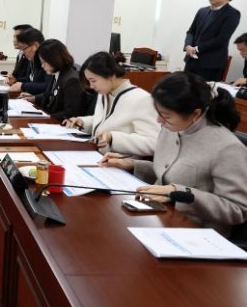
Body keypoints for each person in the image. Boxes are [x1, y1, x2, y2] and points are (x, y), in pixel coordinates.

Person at [101, 72, 247, 236]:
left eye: (166, 116)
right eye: (158, 113)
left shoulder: (228, 148)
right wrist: (133, 165)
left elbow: (238, 209)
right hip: (157, 217)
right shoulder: (172, 127)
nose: (159, 121)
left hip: (195, 233)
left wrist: (177, 194)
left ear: (195, 114)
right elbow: (171, 175)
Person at [63, 52, 160, 156]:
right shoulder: (105, 92)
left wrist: (113, 138)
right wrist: (82, 122)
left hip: (123, 162)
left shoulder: (141, 99)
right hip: (99, 156)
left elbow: (154, 143)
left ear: (111, 76)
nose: (91, 86)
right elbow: (103, 122)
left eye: (93, 81)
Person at [183, 0, 241, 81]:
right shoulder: (202, 11)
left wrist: (196, 49)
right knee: (185, 87)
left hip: (211, 64)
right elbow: (191, 31)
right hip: (191, 60)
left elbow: (221, 39)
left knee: (203, 89)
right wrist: (188, 46)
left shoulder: (232, 13)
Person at [24, 39, 85, 121]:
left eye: (44, 62)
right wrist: (34, 98)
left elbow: (71, 113)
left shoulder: (71, 81)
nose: (42, 66)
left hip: (60, 125)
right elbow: (51, 95)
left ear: (55, 59)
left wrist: (47, 117)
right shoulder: (56, 72)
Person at [9, 28, 48, 95]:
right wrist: (15, 81)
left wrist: (23, 86)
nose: (23, 53)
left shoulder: (47, 61)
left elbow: (49, 86)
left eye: (24, 48)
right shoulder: (32, 59)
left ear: (35, 45)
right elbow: (30, 78)